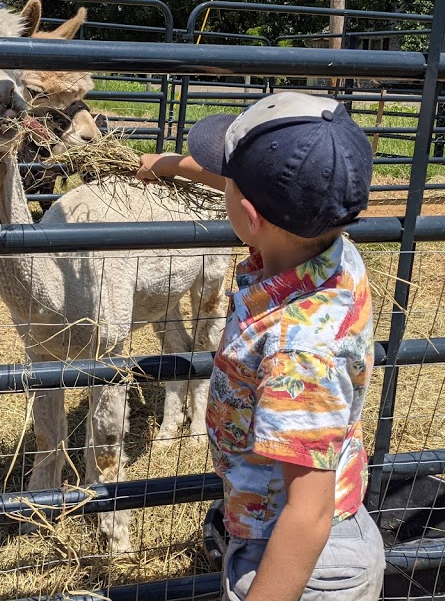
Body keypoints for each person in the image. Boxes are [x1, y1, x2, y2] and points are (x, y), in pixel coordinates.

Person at [137, 91, 385, 601]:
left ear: (251, 217)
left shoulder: (301, 350)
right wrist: (169, 166)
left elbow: (308, 512)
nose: (219, 181)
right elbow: (265, 198)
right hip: (277, 532)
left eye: (225, 178)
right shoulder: (321, 242)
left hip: (303, 565)